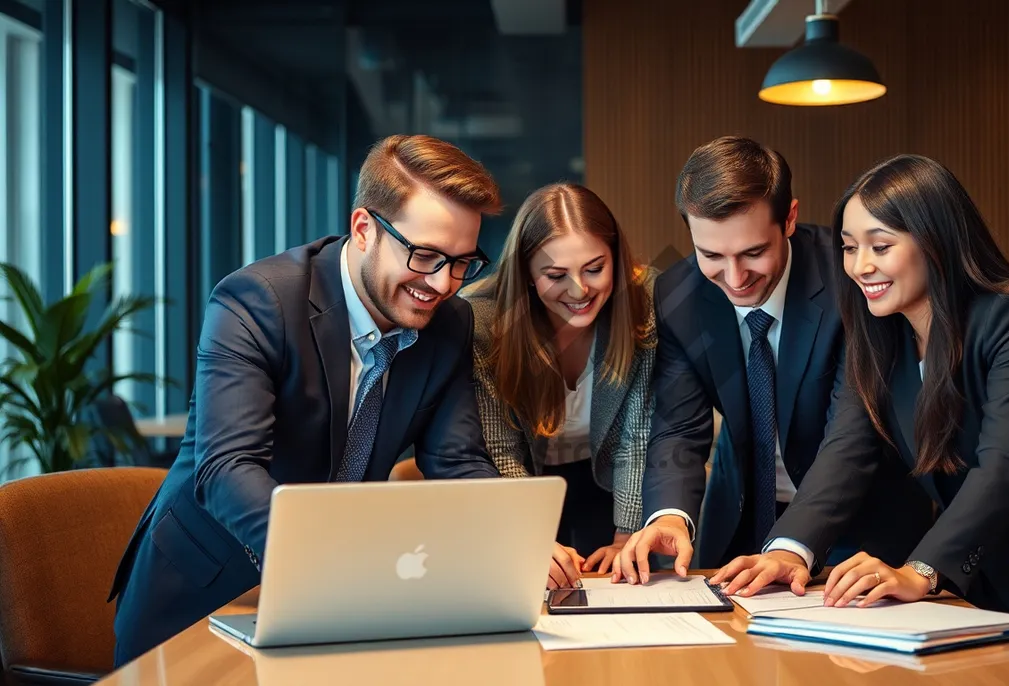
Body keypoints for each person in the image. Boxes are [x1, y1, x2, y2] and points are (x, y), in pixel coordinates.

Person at [711, 154, 1009, 652]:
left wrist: (921, 569)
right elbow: (847, 446)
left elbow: (1006, 467)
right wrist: (792, 550)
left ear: (936, 241)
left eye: (881, 246)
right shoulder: (880, 335)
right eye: (848, 248)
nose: (860, 266)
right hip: (981, 605)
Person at [109, 135, 507, 667]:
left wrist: (509, 541)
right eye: (425, 255)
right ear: (365, 228)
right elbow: (228, 468)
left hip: (332, 607)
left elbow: (456, 459)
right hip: (204, 596)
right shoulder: (256, 300)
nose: (442, 284)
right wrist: (327, 566)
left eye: (463, 263)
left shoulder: (449, 323)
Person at [614, 136, 931, 583]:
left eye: (753, 253)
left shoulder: (849, 280)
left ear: (789, 219)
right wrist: (668, 516)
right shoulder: (678, 296)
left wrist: (791, 545)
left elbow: (851, 433)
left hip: (861, 529)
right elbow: (680, 427)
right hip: (742, 523)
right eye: (711, 255)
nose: (735, 278)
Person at [463, 183, 657, 587]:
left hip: (609, 478)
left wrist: (626, 535)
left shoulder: (643, 301)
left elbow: (636, 436)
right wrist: (527, 537)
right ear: (528, 275)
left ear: (616, 260)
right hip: (526, 479)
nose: (580, 290)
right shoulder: (480, 319)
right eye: (556, 275)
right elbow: (501, 448)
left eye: (594, 268)